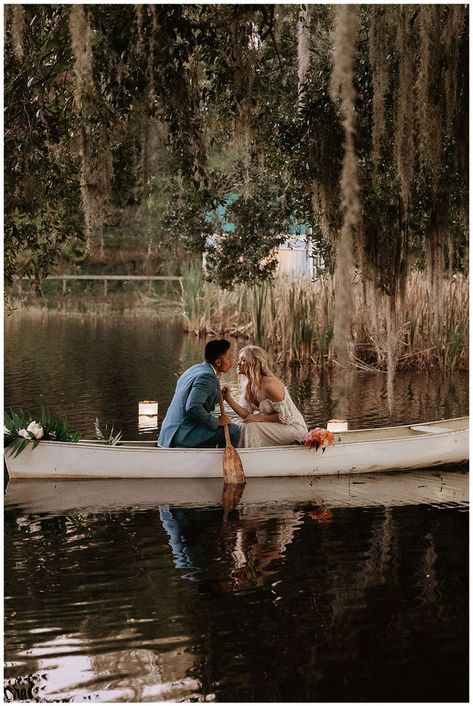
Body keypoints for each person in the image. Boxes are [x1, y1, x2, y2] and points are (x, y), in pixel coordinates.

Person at [157, 339, 240, 448]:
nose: (232, 361)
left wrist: (218, 395)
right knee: (233, 431)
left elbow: (197, 400)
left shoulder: (194, 369)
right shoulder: (208, 377)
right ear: (218, 362)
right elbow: (193, 407)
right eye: (229, 358)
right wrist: (216, 422)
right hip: (182, 434)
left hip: (168, 433)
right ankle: (219, 463)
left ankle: (206, 454)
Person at [222, 345, 308, 448]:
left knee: (250, 426)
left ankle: (250, 458)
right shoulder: (248, 385)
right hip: (274, 425)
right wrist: (229, 399)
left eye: (243, 360)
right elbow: (246, 415)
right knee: (238, 425)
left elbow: (286, 417)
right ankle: (232, 454)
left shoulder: (270, 385)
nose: (238, 363)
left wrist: (259, 418)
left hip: (293, 428)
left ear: (255, 363)